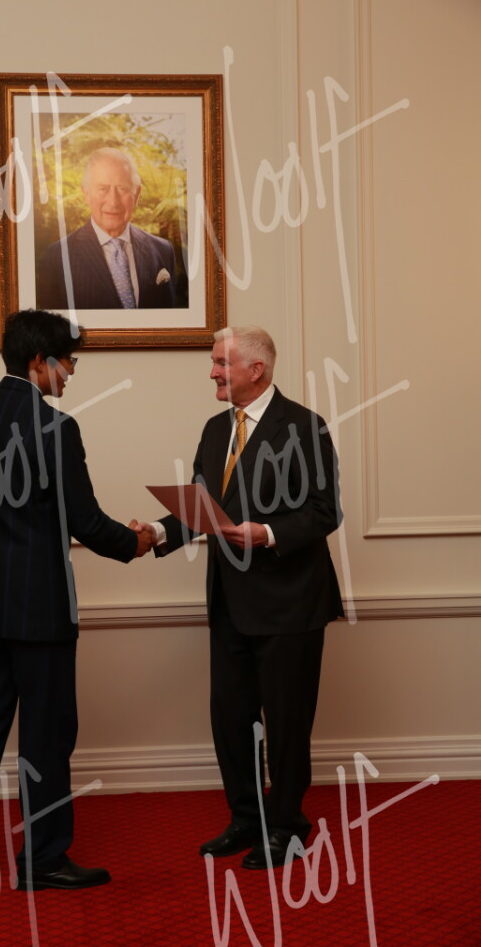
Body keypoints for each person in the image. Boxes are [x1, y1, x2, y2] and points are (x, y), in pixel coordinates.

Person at [0, 309, 154, 897]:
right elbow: (86, 522)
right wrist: (137, 542)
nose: (72, 372)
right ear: (37, 362)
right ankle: (42, 860)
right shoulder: (56, 428)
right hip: (41, 613)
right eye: (67, 362)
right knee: (47, 736)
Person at [137, 326, 344, 869]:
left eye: (221, 363)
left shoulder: (305, 427)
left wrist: (267, 534)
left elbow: (325, 511)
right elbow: (203, 507)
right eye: (213, 363)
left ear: (257, 369)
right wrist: (156, 533)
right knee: (232, 721)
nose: (212, 372)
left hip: (290, 604)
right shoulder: (214, 429)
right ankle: (247, 820)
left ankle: (287, 827)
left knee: (286, 723)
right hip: (229, 603)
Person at [36, 147, 177, 311]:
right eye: (103, 189)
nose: (113, 201)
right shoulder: (58, 256)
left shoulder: (163, 250)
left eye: (122, 189)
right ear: (86, 193)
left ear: (136, 194)